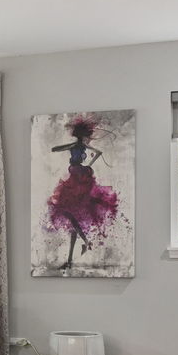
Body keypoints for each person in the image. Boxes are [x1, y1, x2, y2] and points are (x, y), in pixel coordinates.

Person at [45, 115, 124, 270]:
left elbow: (97, 152)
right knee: (71, 218)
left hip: (78, 177)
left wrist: (87, 163)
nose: (88, 140)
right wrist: (86, 161)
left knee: (67, 211)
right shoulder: (77, 146)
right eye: (87, 137)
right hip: (78, 175)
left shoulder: (77, 146)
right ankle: (70, 259)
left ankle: (84, 241)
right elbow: (97, 152)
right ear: (82, 136)